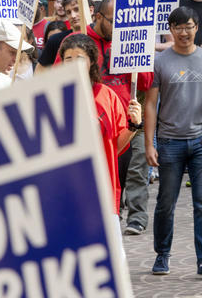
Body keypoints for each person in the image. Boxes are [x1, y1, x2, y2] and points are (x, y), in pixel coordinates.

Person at [144, 6, 202, 280]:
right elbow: (151, 104)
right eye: (178, 27)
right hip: (169, 142)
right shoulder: (161, 62)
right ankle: (162, 254)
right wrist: (149, 143)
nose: (183, 32)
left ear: (196, 28)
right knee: (166, 202)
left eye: (188, 26)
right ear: (170, 30)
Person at [60, 33, 141, 235]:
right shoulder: (55, 96)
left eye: (79, 58)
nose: (73, 63)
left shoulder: (106, 95)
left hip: (102, 186)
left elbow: (117, 146)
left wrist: (134, 125)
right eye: (68, 59)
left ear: (91, 62)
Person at [35, 0, 93, 73]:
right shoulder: (55, 40)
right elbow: (39, 74)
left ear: (91, 10)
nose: (73, 15)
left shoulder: (103, 37)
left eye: (77, 9)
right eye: (68, 12)